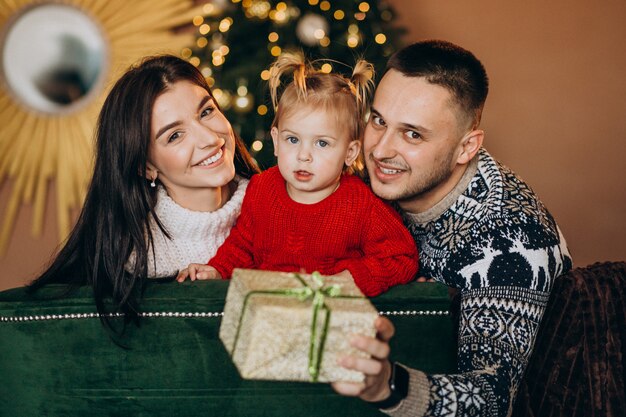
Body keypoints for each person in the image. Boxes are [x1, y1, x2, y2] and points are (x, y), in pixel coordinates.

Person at [332, 40, 573, 416]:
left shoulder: (509, 242)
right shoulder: (377, 184)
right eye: (379, 121)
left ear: (466, 147)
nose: (379, 150)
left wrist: (388, 386)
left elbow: (492, 397)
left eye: (413, 134)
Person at [28, 55, 259, 329]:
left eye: (206, 111)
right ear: (145, 166)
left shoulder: (289, 208)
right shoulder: (122, 266)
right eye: (175, 135)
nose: (210, 138)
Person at [177, 52, 418, 297]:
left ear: (350, 152)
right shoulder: (262, 188)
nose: (304, 155)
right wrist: (217, 270)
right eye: (292, 139)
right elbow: (242, 247)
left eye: (322, 144)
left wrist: (351, 278)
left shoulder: (361, 204)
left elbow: (402, 257)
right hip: (268, 312)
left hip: (328, 318)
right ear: (276, 141)